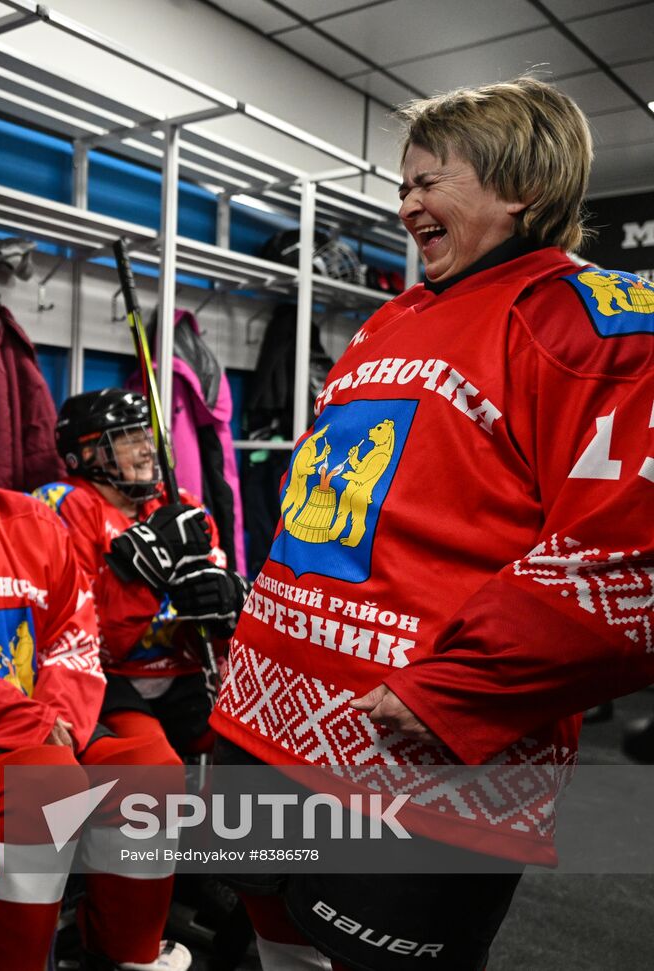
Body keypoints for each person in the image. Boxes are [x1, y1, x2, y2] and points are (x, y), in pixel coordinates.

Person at [208, 76, 654, 971]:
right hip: (264, 725)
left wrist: (451, 690)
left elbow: (630, 557)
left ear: (520, 185)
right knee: (272, 943)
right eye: (401, 184)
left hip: (417, 751)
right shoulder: (393, 317)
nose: (404, 205)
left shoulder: (597, 324)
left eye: (427, 182)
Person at [0, 368, 191, 971]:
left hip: (47, 719)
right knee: (50, 789)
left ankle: (126, 955)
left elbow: (75, 629)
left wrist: (63, 722)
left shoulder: (30, 518)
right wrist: (28, 720)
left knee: (150, 769)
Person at [34, 389, 245, 763]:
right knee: (153, 767)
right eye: (129, 440)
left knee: (253, 746)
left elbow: (215, 595)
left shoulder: (179, 502)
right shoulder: (61, 506)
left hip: (185, 668)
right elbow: (94, 639)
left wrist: (230, 601)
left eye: (147, 436)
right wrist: (141, 573)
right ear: (85, 454)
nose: (148, 450)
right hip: (111, 676)